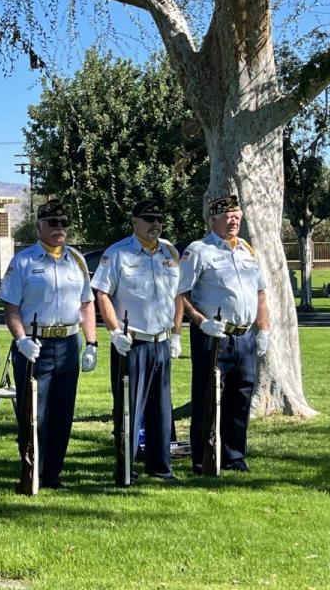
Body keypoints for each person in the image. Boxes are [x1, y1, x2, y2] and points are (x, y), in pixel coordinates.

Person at [0, 200, 98, 489]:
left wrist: (91, 342)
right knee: (34, 414)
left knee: (62, 412)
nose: (59, 229)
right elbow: (10, 306)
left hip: (68, 342)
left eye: (63, 223)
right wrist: (21, 340)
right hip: (35, 345)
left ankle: (53, 473)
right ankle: (31, 472)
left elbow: (86, 304)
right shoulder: (24, 261)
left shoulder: (76, 260)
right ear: (39, 226)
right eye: (53, 223)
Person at [90, 200, 184, 482]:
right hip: (132, 344)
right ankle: (125, 469)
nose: (155, 224)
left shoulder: (169, 253)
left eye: (159, 219)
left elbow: (178, 295)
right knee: (129, 409)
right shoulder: (117, 254)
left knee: (161, 409)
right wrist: (114, 331)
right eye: (149, 219)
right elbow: (102, 294)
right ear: (134, 222)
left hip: (162, 342)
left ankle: (160, 467)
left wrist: (177, 333)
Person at [179, 194, 270, 473]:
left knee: (240, 396)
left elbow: (260, 293)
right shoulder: (198, 251)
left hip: (244, 337)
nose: (234, 221)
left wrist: (263, 330)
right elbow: (180, 292)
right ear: (214, 219)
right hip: (212, 334)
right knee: (208, 396)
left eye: (237, 216)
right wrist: (199, 320)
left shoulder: (247, 250)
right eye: (228, 217)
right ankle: (203, 457)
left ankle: (234, 456)